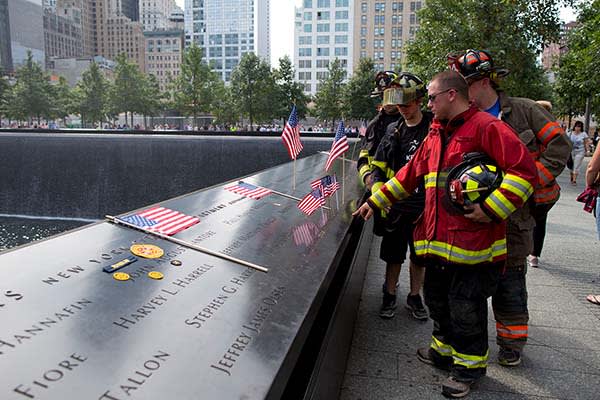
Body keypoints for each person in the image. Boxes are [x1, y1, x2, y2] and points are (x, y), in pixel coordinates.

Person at [353, 70, 537, 398]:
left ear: (452, 95)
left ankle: (468, 369)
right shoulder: (436, 134)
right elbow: (409, 175)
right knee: (436, 300)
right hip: (437, 243)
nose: (429, 106)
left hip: (473, 247)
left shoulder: (487, 127)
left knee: (465, 307)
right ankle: (443, 350)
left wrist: (493, 207)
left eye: (433, 98)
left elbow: (524, 171)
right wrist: (375, 200)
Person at [450, 49, 571, 367]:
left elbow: (559, 146)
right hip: (474, 218)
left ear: (484, 80)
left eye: (467, 84)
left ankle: (511, 343)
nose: (462, 92)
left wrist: (531, 183)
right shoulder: (461, 118)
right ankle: (468, 341)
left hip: (515, 217)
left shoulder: (524, 111)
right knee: (470, 280)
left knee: (511, 280)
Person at [370, 72, 432, 320]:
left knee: (420, 256)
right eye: (399, 105)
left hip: (424, 207)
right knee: (393, 255)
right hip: (396, 207)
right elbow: (379, 165)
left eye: (407, 104)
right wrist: (377, 191)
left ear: (419, 101)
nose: (403, 110)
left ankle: (415, 296)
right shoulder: (393, 130)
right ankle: (389, 292)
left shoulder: (433, 128)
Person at [357, 71, 403, 190]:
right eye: (383, 96)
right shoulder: (374, 125)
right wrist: (367, 177)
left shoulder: (408, 122)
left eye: (391, 94)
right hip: (375, 189)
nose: (387, 100)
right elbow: (363, 158)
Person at [569, 121, 591, 186]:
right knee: (571, 166)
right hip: (571, 152)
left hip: (580, 151)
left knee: (576, 165)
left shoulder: (583, 134)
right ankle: (572, 176)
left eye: (579, 127)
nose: (577, 128)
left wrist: (588, 151)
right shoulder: (570, 133)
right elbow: (566, 141)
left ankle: (574, 180)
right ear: (574, 127)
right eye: (576, 126)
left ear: (581, 128)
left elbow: (586, 143)